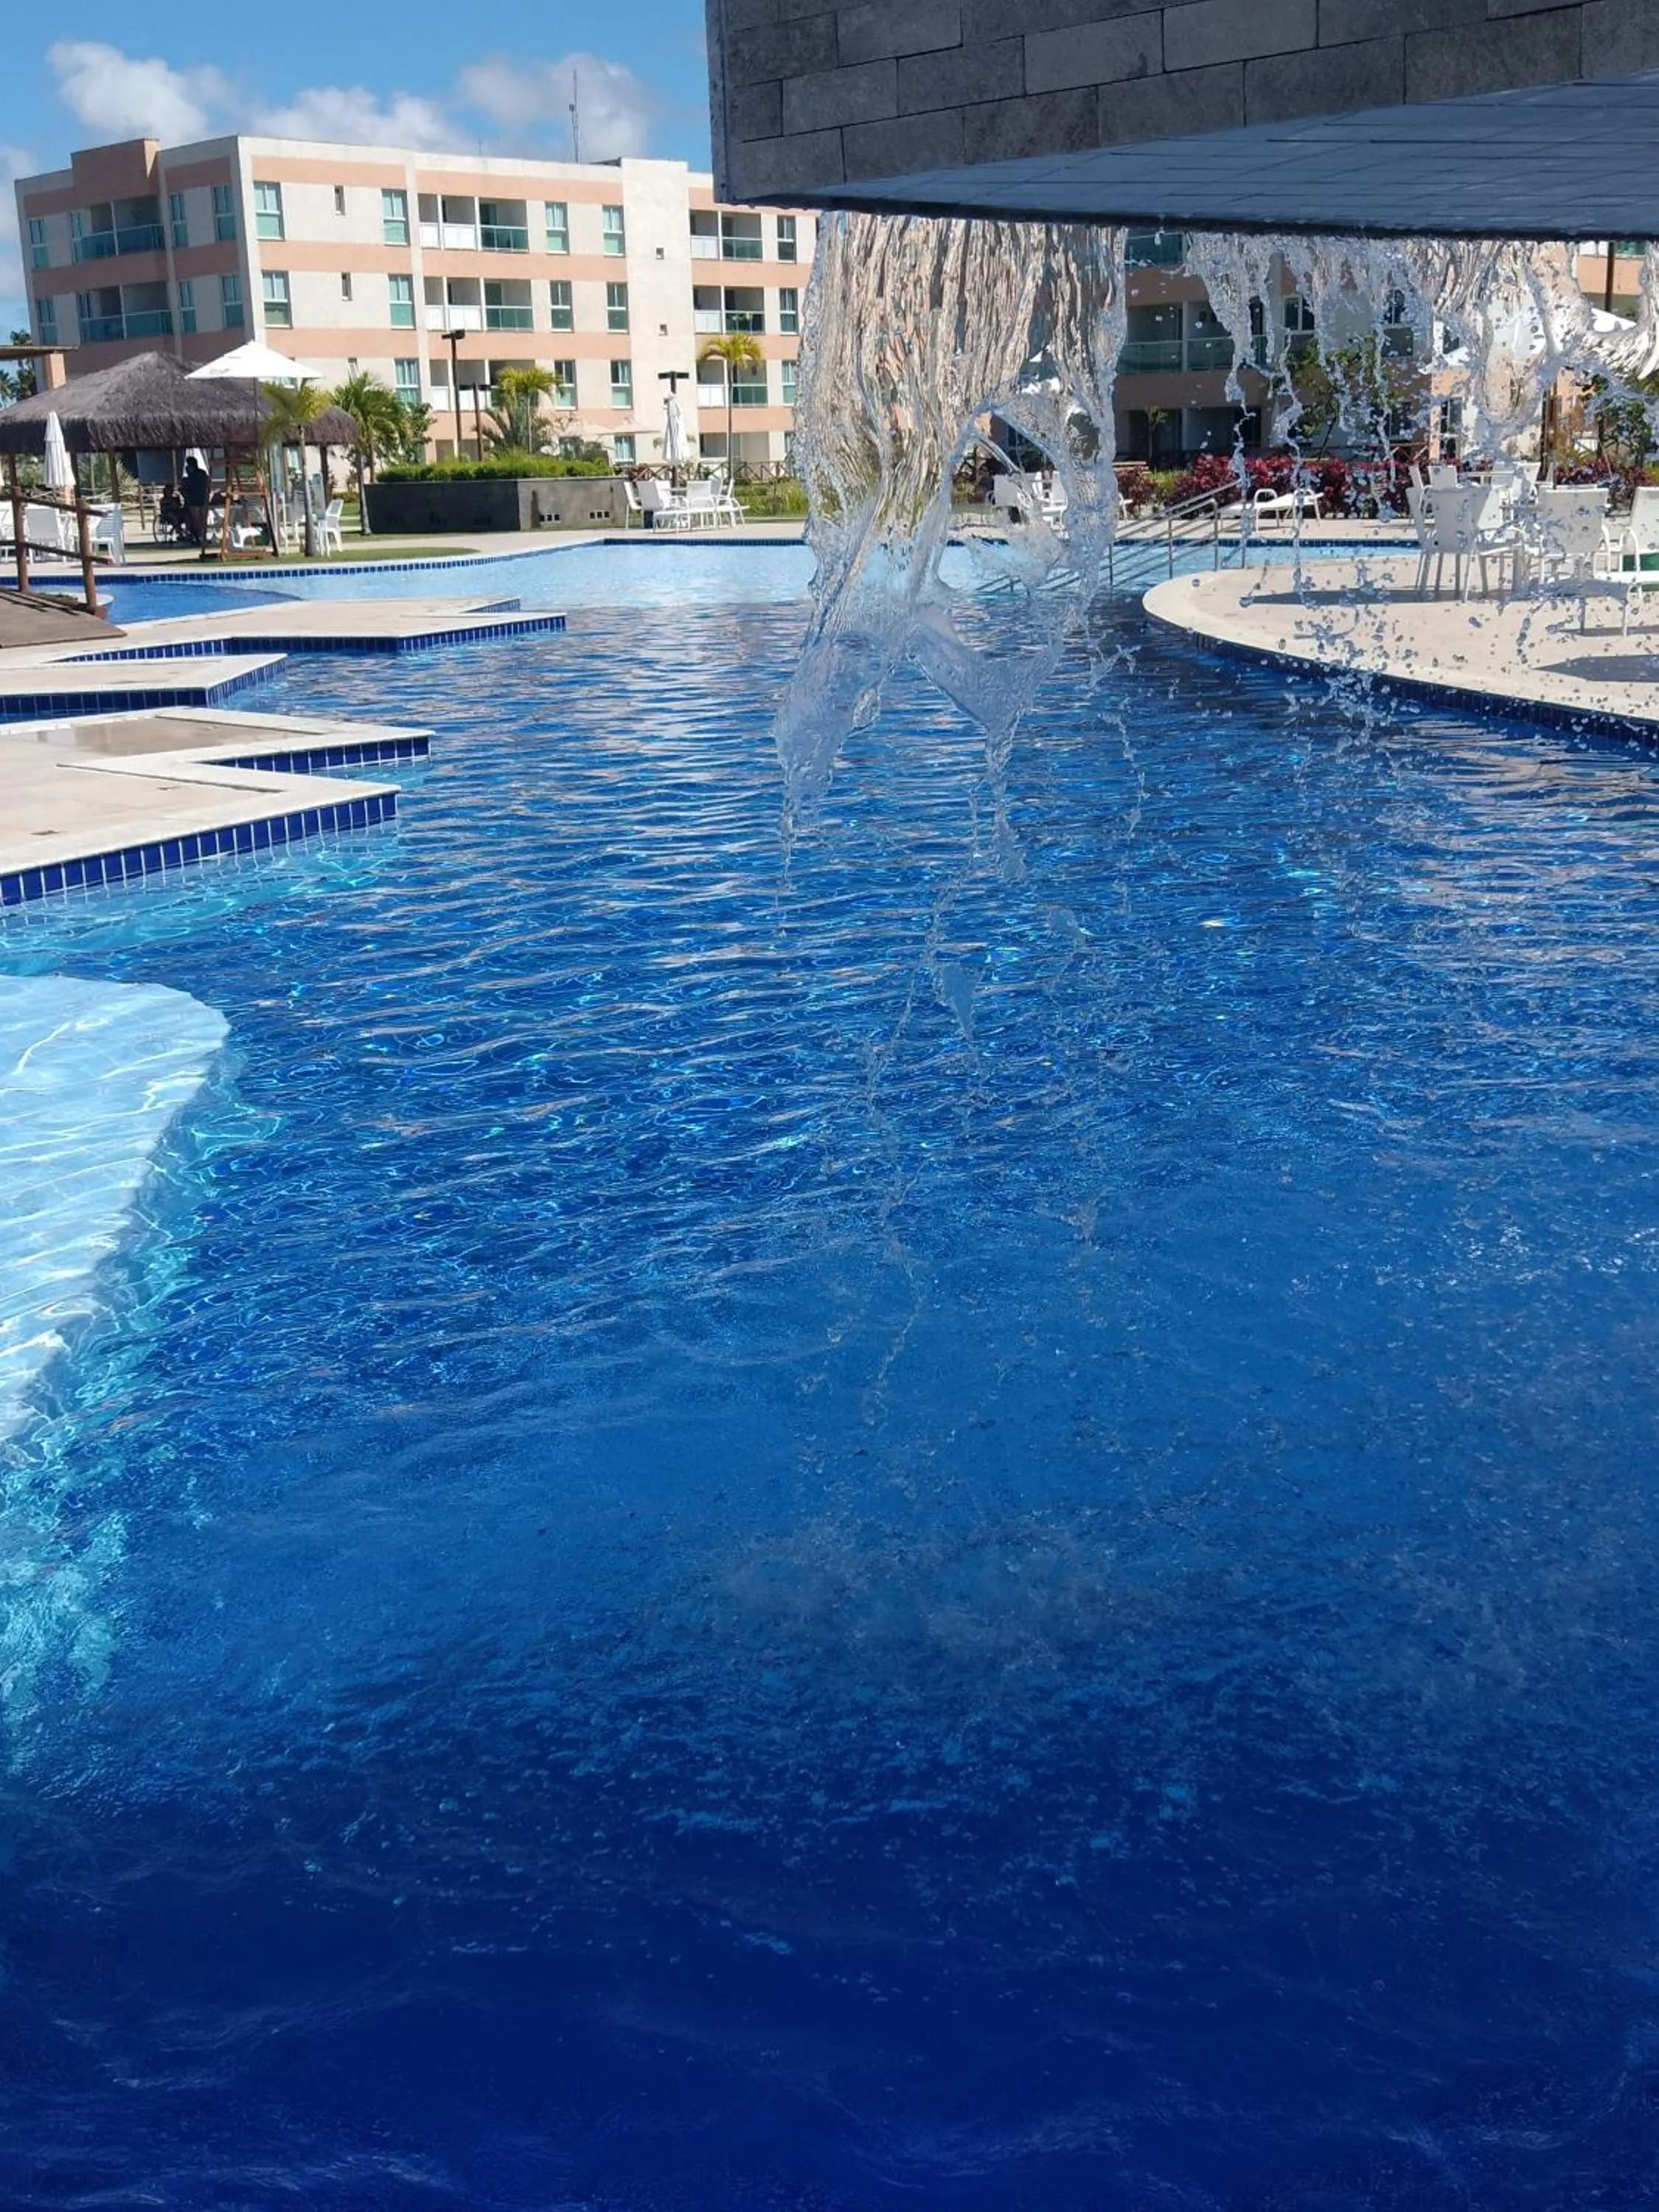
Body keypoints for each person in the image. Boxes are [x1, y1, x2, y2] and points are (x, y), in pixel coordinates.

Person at [181, 454, 209, 546]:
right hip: (201, 497)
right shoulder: (202, 473)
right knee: (202, 519)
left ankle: (199, 536)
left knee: (197, 519)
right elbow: (207, 484)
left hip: (195, 498)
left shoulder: (193, 474)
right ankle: (201, 536)